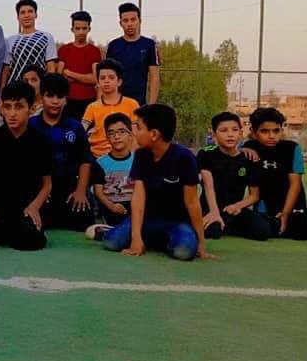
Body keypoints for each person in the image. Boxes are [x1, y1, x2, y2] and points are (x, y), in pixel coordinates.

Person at [93, 104, 210, 261]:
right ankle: (107, 231)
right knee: (111, 242)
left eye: (139, 127)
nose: (135, 132)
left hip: (176, 222)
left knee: (184, 252)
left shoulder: (184, 158)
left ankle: (158, 241)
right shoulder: (141, 155)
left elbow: (192, 202)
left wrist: (201, 243)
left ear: (154, 134)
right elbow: (138, 198)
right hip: (145, 220)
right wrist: (135, 238)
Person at [0, 81, 53, 251]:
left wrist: (34, 207)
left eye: (19, 107)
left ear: (31, 108)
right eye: (7, 107)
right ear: (2, 109)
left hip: (23, 210)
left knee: (31, 241)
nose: (12, 113)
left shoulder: (40, 142)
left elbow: (47, 184)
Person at [29, 73, 94, 231]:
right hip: (39, 187)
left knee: (83, 217)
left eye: (60, 97)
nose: (55, 101)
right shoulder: (31, 126)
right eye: (50, 96)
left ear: (66, 99)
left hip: (68, 186)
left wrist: (80, 191)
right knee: (33, 222)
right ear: (41, 97)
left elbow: (85, 160)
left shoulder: (75, 127)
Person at [197, 112, 270, 241]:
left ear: (241, 133)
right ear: (214, 135)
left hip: (234, 210)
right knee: (212, 231)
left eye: (235, 130)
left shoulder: (249, 159)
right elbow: (208, 185)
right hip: (210, 207)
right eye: (224, 130)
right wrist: (214, 212)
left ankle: (229, 226)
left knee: (263, 231)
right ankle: (220, 224)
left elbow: (254, 195)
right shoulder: (206, 154)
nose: (230, 134)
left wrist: (238, 206)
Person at [243, 107, 307, 240]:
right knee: (265, 231)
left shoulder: (292, 148)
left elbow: (295, 184)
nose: (271, 136)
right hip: (265, 204)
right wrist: (242, 150)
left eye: (276, 131)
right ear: (253, 132)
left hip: (291, 204)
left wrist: (285, 213)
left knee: (302, 233)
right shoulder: (249, 148)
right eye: (264, 131)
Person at [81, 59, 140, 157]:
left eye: (111, 78)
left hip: (125, 156)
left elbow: (136, 135)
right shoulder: (92, 107)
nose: (106, 81)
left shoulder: (132, 104)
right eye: (102, 78)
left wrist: (130, 158)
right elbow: (81, 130)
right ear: (98, 82)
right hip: (97, 156)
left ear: (119, 81)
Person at [105, 2, 159, 105]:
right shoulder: (113, 46)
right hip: (116, 103)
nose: (129, 24)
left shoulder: (149, 45)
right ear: (120, 23)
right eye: (125, 20)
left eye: (133, 20)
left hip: (139, 104)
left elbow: (154, 77)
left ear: (139, 21)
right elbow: (106, 76)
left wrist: (151, 106)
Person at [0, 0, 58, 93]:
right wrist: (2, 93)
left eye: (30, 11)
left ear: (36, 15)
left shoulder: (46, 37)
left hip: (38, 90)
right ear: (18, 17)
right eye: (22, 12)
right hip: (16, 90)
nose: (26, 15)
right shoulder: (10, 40)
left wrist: (49, 90)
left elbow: (51, 67)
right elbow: (6, 71)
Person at [90, 113, 135, 226]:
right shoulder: (100, 163)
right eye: (111, 133)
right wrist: (112, 206)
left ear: (130, 134)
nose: (116, 136)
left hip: (134, 206)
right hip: (110, 206)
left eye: (121, 132)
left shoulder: (138, 161)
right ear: (107, 137)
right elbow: (98, 191)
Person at [57, 10, 101, 120]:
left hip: (89, 100)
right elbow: (59, 79)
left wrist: (69, 73)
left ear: (89, 29)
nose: (81, 32)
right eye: (77, 28)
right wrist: (84, 78)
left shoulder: (94, 51)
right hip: (67, 101)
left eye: (84, 28)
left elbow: (95, 79)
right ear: (72, 29)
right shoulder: (64, 50)